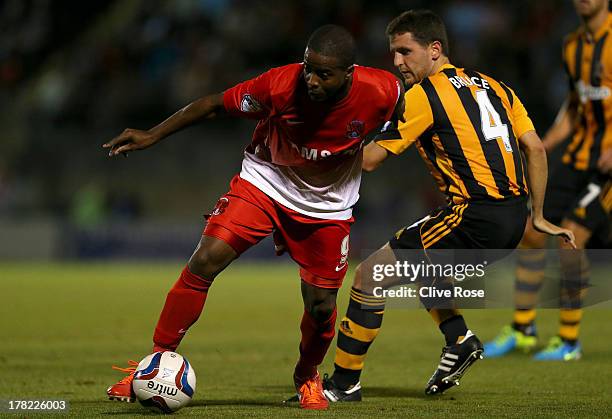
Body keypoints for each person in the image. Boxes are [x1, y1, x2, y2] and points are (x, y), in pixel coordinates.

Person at [103, 24, 403, 410]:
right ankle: (154, 362)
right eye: (308, 67)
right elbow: (214, 104)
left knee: (321, 306)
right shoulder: (279, 85)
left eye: (323, 74)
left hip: (328, 206)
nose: (311, 79)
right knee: (205, 259)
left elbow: (412, 115)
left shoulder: (384, 90)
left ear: (349, 73)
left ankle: (307, 377)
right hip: (266, 182)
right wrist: (153, 135)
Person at [320, 10, 576, 401]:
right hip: (512, 216)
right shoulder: (496, 87)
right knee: (426, 267)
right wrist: (537, 216)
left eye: (405, 51)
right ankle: (458, 339)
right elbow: (536, 148)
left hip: (475, 214)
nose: (397, 62)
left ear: (434, 49)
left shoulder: (425, 95)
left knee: (370, 276)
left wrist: (321, 152)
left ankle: (343, 384)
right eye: (393, 52)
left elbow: (370, 160)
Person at [484, 0, 612, 361]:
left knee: (571, 238)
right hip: (576, 160)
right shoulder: (572, 45)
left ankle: (569, 341)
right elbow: (576, 107)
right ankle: (523, 330)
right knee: (531, 232)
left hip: (607, 170)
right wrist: (541, 143)